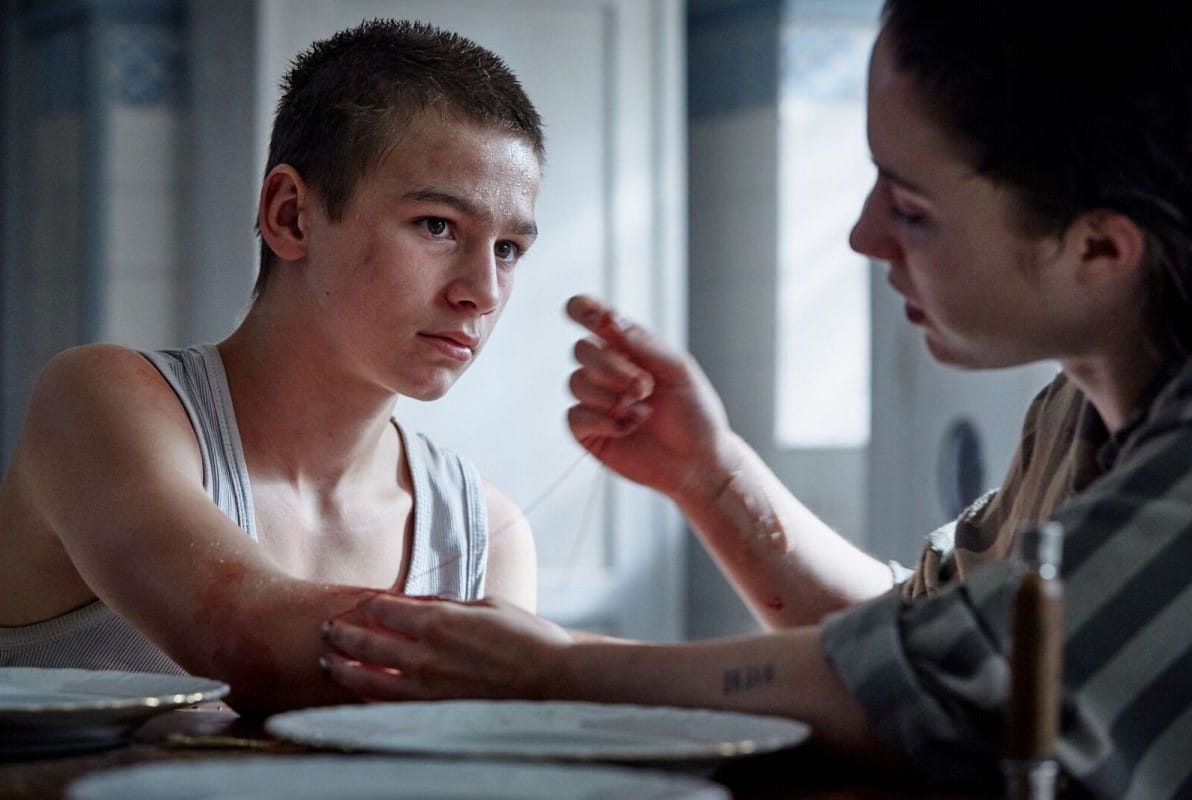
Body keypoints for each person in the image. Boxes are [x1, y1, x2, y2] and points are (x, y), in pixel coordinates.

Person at [318, 1, 1192, 797]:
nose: (863, 235)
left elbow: (945, 681)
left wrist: (556, 676)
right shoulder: (1074, 412)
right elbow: (918, 630)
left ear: (1099, 249)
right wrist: (710, 474)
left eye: (911, 210)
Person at [0, 19, 543, 716]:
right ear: (290, 216)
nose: (483, 292)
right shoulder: (100, 401)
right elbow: (251, 640)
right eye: (437, 226)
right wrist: (566, 667)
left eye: (508, 249)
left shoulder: (486, 531)